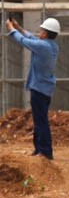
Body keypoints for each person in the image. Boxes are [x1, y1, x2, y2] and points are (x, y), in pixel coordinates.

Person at [5, 17, 59, 160]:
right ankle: (39, 149)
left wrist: (11, 29)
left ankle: (46, 152)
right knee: (39, 119)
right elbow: (32, 39)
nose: (39, 32)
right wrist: (19, 28)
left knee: (41, 121)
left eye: (42, 31)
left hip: (39, 89)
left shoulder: (43, 47)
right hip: (44, 89)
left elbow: (24, 41)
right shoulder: (51, 46)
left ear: (45, 34)